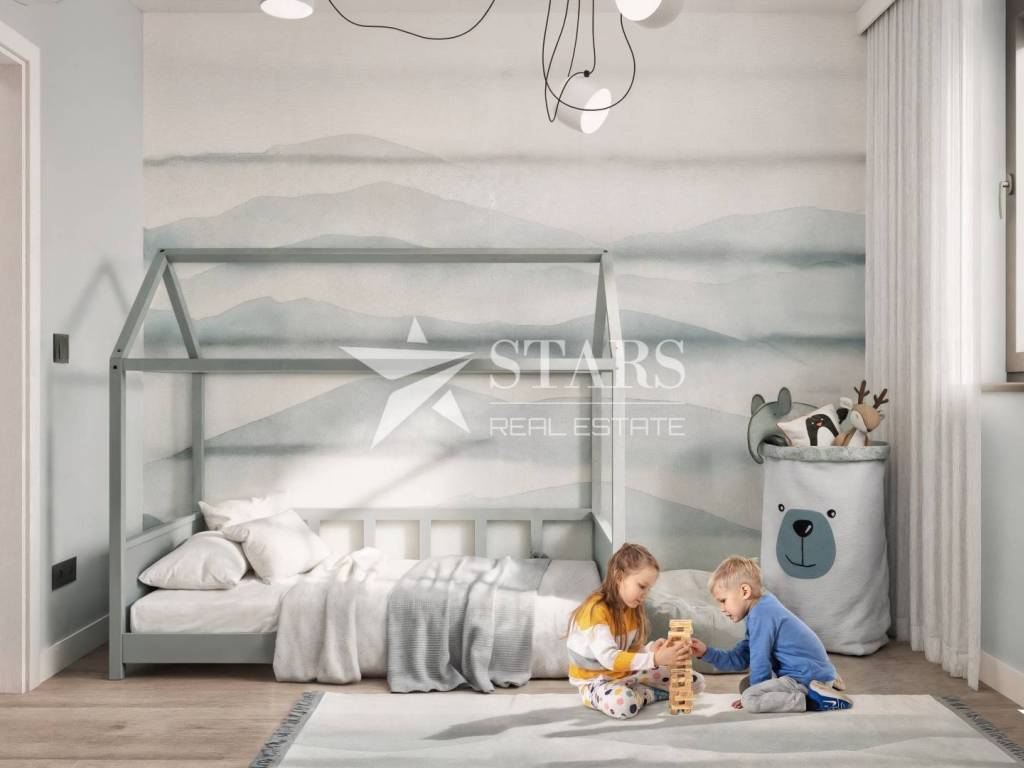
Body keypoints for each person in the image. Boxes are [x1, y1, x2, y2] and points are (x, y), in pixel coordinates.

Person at [690, 555, 852, 713]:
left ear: (744, 591)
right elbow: (741, 658)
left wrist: (754, 695)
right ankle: (827, 681)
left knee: (750, 698)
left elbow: (760, 662)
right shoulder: (762, 608)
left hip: (803, 677)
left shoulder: (762, 614)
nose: (722, 609)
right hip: (810, 670)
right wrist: (706, 652)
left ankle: (815, 700)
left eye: (723, 600)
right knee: (746, 685)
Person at [566, 543, 704, 719]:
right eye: (642, 586)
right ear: (619, 576)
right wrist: (655, 659)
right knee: (624, 704)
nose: (645, 594)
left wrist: (651, 649)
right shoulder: (595, 611)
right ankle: (647, 694)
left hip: (626, 676)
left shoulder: (631, 609)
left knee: (693, 682)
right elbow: (610, 658)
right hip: (595, 682)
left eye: (648, 589)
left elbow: (630, 654)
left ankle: (637, 692)